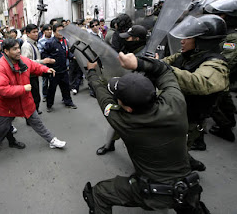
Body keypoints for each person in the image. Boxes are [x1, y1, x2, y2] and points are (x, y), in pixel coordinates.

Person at [83, 52, 209, 214]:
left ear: (127, 108)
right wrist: (138, 63)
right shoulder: (175, 102)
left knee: (98, 193)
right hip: (187, 188)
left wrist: (92, 71)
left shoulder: (124, 121)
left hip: (152, 193)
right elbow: (164, 71)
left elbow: (101, 92)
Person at [163, 14, 229, 170]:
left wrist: (161, 69)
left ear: (202, 41)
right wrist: (147, 63)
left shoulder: (216, 64)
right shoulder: (186, 55)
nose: (182, 40)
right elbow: (165, 62)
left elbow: (199, 83)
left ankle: (182, 174)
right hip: (177, 111)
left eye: (188, 37)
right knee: (176, 144)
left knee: (175, 149)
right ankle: (186, 159)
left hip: (191, 117)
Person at [0, 39, 66, 155]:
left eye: (18, 48)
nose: (18, 51)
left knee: (37, 122)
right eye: (14, 49)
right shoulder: (1, 65)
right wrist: (23, 88)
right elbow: (2, 88)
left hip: (25, 101)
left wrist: (46, 69)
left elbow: (35, 67)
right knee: (3, 127)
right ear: (6, 51)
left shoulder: (23, 60)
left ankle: (52, 140)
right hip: (8, 105)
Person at [204, 0, 237, 141]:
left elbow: (227, 58)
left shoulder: (232, 38)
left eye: (221, 15)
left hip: (221, 73)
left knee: (211, 103)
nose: (217, 17)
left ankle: (225, 128)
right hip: (225, 75)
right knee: (224, 97)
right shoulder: (227, 33)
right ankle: (230, 120)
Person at [42, 23, 77, 112]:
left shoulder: (65, 41)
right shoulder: (50, 43)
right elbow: (44, 54)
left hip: (64, 70)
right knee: (52, 89)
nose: (61, 33)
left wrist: (72, 56)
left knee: (66, 87)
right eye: (59, 31)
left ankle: (68, 102)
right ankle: (49, 105)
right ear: (54, 32)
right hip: (54, 71)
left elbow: (67, 52)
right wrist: (49, 60)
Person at [21, 24, 55, 114]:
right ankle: (31, 115)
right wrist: (42, 61)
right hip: (29, 76)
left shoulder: (33, 43)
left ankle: (35, 111)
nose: (36, 34)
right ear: (27, 34)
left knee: (36, 95)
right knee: (33, 96)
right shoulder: (26, 46)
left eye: (37, 32)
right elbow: (26, 63)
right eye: (33, 32)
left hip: (34, 74)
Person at [38, 24, 53, 101]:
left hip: (53, 62)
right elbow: (41, 52)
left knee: (53, 80)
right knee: (45, 80)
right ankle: (45, 95)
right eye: (47, 30)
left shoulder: (54, 39)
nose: (49, 31)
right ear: (44, 31)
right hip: (45, 63)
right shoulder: (41, 41)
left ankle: (50, 95)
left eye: (50, 29)